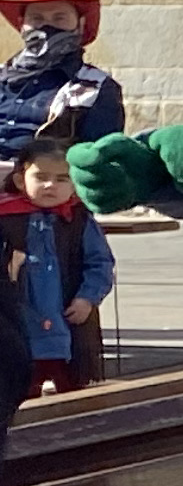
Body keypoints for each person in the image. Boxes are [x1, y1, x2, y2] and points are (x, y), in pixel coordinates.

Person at [3, 139, 116, 459]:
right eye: (41, 177)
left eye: (62, 178)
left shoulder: (78, 220)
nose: (51, 185)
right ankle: (23, 458)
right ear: (20, 178)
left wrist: (87, 298)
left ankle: (81, 456)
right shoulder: (6, 217)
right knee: (18, 397)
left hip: (69, 327)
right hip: (21, 329)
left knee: (77, 398)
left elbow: (100, 263)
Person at [0, 0, 124, 162]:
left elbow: (98, 162)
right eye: (37, 19)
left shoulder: (97, 88)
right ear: (22, 24)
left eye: (59, 18)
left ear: (80, 25)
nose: (47, 27)